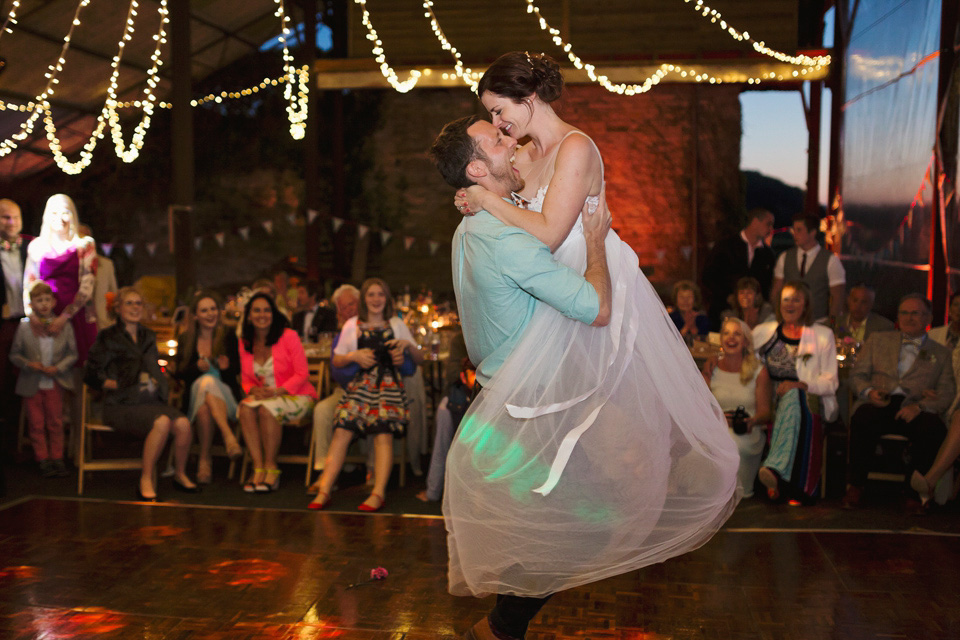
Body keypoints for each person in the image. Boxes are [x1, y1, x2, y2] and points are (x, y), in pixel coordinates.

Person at [437, 54, 738, 638]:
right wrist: (479, 195)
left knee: (601, 451)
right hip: (557, 303)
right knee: (567, 467)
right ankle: (515, 603)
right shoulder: (523, 153)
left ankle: (650, 480)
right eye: (492, 119)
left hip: (589, 295)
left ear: (528, 100)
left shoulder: (576, 148)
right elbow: (510, 203)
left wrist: (486, 202)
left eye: (500, 112)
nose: (500, 127)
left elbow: (549, 231)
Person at [308, 278, 422, 512]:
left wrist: (406, 346)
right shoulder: (353, 324)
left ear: (386, 298)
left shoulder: (396, 323)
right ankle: (325, 490)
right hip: (361, 385)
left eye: (380, 294)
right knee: (342, 429)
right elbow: (337, 359)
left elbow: (419, 359)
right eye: (371, 295)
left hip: (388, 385)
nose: (376, 299)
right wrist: (354, 356)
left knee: (383, 434)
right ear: (364, 299)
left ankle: (378, 493)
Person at [84, 287, 198, 501]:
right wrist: (115, 384)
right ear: (118, 308)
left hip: (147, 400)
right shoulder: (108, 337)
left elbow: (154, 367)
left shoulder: (148, 335)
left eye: (138, 303)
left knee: (183, 424)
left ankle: (180, 474)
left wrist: (161, 383)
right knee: (162, 422)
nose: (135, 308)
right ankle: (146, 478)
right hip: (119, 403)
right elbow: (91, 374)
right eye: (129, 303)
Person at [842, 293, 954, 509]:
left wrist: (920, 406)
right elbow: (856, 376)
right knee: (863, 418)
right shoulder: (878, 340)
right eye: (904, 312)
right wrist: (868, 391)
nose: (909, 318)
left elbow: (947, 392)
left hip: (916, 406)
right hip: (880, 402)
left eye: (915, 313)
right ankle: (856, 485)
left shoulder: (941, 353)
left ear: (928, 318)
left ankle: (914, 493)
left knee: (933, 428)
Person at [752, 281, 838, 503]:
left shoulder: (822, 335)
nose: (790, 304)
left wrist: (802, 385)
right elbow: (740, 354)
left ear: (806, 305)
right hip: (769, 398)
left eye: (796, 299)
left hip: (809, 398)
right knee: (789, 398)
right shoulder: (764, 332)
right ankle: (785, 482)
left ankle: (774, 469)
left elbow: (831, 382)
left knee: (794, 397)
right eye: (786, 300)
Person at [237, 292, 316, 492]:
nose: (262, 314)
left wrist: (277, 392)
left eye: (266, 310)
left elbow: (302, 374)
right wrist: (253, 389)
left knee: (266, 410)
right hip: (264, 396)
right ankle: (258, 467)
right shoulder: (245, 341)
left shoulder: (288, 336)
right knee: (245, 408)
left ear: (273, 313)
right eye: (257, 310)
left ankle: (272, 468)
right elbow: (246, 379)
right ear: (249, 315)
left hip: (296, 395)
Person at [172, 291, 244, 484]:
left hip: (227, 398)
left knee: (208, 383)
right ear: (195, 315)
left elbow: (239, 369)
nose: (211, 313)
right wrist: (196, 368)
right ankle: (225, 440)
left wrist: (227, 368)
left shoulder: (229, 335)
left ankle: (205, 459)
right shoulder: (187, 338)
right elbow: (178, 373)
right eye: (204, 310)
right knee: (204, 404)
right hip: (196, 400)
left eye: (213, 309)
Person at [10, 281, 77, 477]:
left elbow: (72, 354)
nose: (44, 304)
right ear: (32, 304)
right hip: (32, 382)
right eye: (39, 300)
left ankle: (57, 457)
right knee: (36, 423)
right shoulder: (24, 327)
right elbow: (14, 354)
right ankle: (42, 458)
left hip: (54, 381)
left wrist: (58, 367)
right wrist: (29, 364)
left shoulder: (64, 327)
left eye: (47, 299)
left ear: (54, 302)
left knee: (55, 421)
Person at [24, 194, 98, 364]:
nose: (60, 218)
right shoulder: (37, 246)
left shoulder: (85, 245)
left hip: (76, 314)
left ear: (73, 215)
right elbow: (29, 283)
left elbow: (87, 285)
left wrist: (64, 317)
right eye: (54, 213)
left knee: (77, 369)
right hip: (45, 314)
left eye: (65, 212)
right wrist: (32, 316)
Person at [701, 318, 771, 498]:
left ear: (746, 341)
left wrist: (751, 421)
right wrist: (716, 417)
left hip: (746, 432)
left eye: (737, 334)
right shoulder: (712, 367)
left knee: (732, 445)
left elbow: (765, 413)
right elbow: (699, 405)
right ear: (721, 339)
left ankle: (733, 491)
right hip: (716, 428)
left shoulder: (759, 371)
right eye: (726, 333)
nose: (731, 338)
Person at [308, 283, 361, 490]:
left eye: (352, 305)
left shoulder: (371, 326)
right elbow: (337, 372)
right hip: (345, 391)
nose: (349, 310)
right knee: (322, 410)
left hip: (372, 391)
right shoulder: (341, 334)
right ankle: (324, 471)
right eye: (343, 307)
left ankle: (369, 471)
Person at [701, 208, 776, 330]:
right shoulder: (725, 246)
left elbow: (767, 286)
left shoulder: (767, 255)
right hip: (723, 313)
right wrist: (727, 297)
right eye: (768, 224)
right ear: (755, 221)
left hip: (755, 319)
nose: (770, 229)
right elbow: (708, 277)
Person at [416, 358, 477, 503]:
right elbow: (440, 450)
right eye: (474, 373)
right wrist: (433, 492)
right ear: (463, 377)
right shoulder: (449, 405)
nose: (479, 379)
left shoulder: (496, 398)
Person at [770, 212, 845, 324]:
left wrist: (832, 324)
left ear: (812, 233)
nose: (795, 234)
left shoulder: (831, 260)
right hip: (789, 323)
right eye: (794, 230)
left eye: (799, 230)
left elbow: (837, 297)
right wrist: (779, 316)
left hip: (819, 322)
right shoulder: (785, 257)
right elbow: (776, 291)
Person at [0, 198, 32, 460]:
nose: (11, 222)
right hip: (4, 326)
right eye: (5, 217)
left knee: (28, 383)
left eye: (15, 217)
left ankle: (22, 444)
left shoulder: (32, 247)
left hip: (30, 324)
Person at [78, 224, 118, 331]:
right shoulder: (71, 267)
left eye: (86, 237)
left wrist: (111, 317)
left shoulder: (106, 264)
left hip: (102, 323)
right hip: (79, 323)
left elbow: (112, 293)